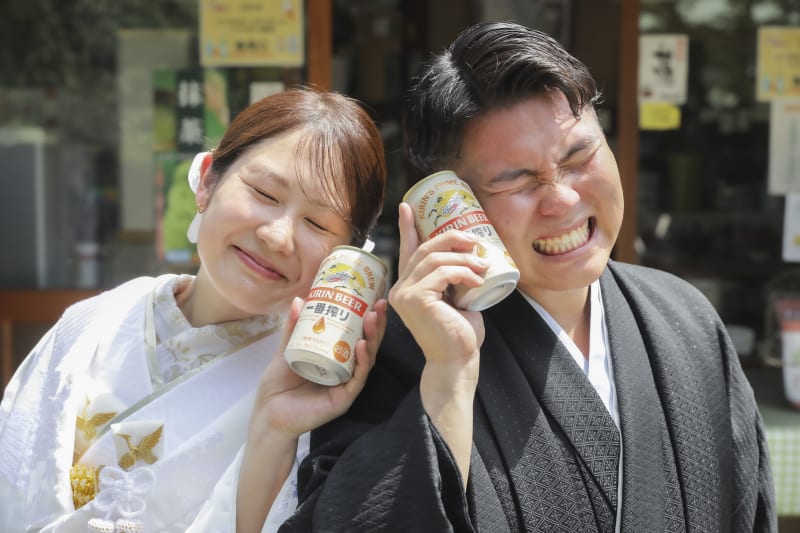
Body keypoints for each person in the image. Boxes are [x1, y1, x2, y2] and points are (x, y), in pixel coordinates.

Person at [279, 21, 777, 532]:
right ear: (456, 201)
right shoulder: (400, 355)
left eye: (579, 158)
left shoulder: (685, 319)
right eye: (517, 182)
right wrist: (450, 376)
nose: (561, 199)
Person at [0, 87, 388, 532]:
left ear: (346, 259)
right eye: (264, 193)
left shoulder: (311, 391)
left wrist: (274, 431)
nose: (278, 236)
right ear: (207, 181)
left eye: (317, 223)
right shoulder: (91, 323)